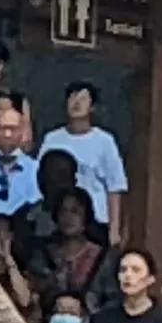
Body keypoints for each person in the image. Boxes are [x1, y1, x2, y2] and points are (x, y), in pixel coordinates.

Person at [36, 83, 129, 226]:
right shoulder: (51, 139)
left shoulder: (105, 141)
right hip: (58, 219)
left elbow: (115, 187)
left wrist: (114, 228)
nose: (77, 103)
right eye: (73, 98)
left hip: (97, 219)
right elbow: (40, 178)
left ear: (92, 107)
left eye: (83, 99)